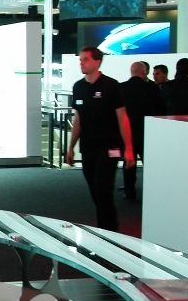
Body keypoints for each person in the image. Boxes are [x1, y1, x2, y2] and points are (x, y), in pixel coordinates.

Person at [65, 47, 134, 232]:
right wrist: (71, 147)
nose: (81, 63)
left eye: (85, 59)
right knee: (96, 191)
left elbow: (122, 117)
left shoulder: (111, 85)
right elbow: (77, 119)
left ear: (97, 61)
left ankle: (109, 231)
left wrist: (129, 148)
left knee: (103, 189)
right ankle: (106, 228)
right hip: (88, 147)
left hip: (110, 146)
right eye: (80, 60)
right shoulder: (78, 87)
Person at [119, 61, 164, 202]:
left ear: (131, 72)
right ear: (144, 72)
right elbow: (161, 110)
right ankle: (154, 191)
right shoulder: (152, 88)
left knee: (129, 163)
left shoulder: (121, 88)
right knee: (150, 164)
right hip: (147, 133)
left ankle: (129, 191)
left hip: (128, 133)